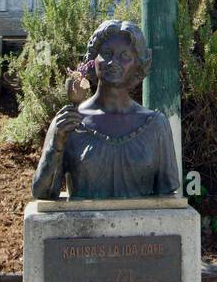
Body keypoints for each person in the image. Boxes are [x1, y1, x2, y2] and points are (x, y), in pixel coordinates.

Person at [31, 19, 179, 200]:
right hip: (84, 226)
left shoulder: (156, 126)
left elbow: (167, 200)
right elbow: (42, 194)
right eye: (106, 53)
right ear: (93, 60)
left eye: (124, 56)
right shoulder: (70, 122)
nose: (112, 62)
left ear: (138, 65)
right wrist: (56, 146)